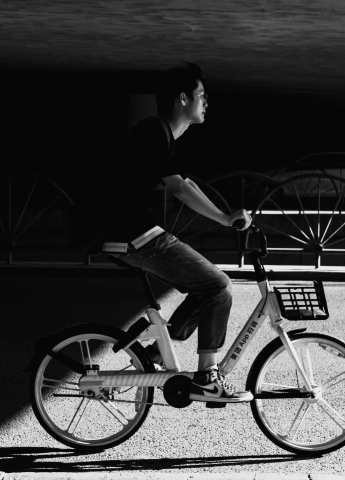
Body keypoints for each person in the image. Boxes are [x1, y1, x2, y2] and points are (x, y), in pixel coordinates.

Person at [93, 63, 253, 403]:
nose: (206, 102)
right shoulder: (154, 132)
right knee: (219, 287)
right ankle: (208, 378)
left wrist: (226, 218)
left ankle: (153, 357)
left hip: (133, 231)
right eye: (201, 95)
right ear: (183, 99)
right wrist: (226, 219)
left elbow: (185, 182)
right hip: (134, 233)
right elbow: (180, 187)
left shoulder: (160, 134)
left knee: (204, 289)